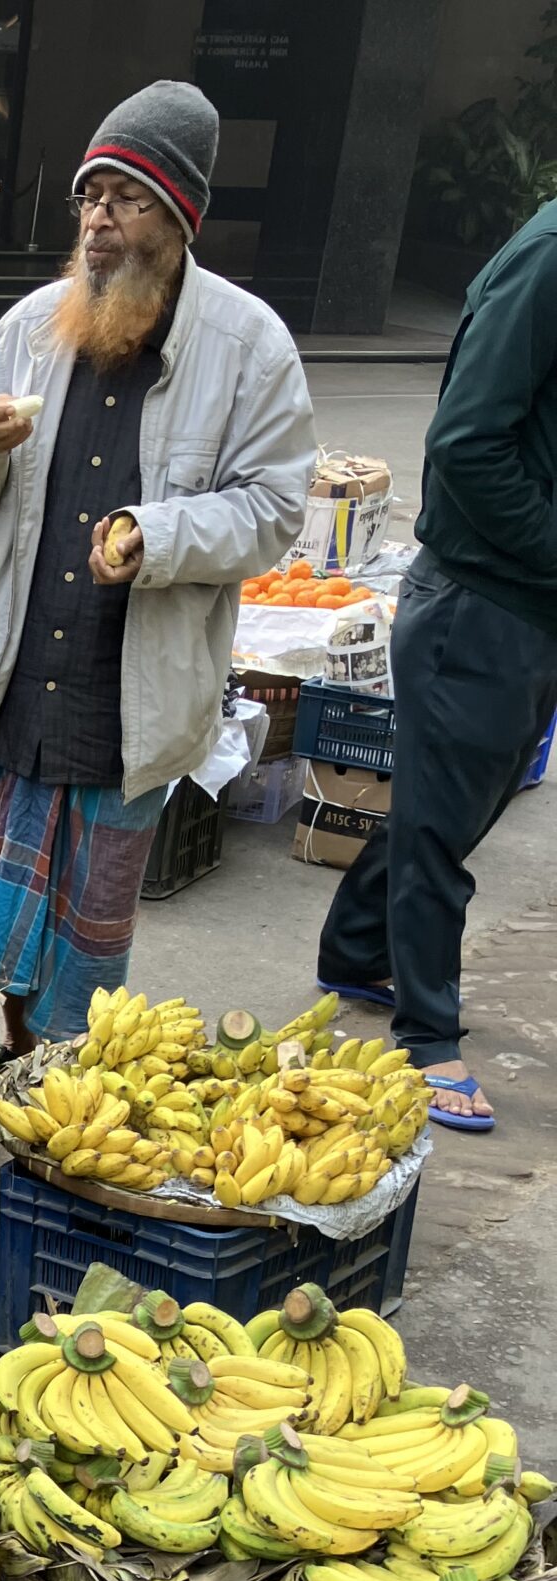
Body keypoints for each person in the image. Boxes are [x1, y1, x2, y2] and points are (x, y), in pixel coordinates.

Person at [0, 81, 315, 1051]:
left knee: (90, 943)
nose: (99, 221)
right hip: (26, 686)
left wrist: (163, 537)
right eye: (89, 196)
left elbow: (275, 513)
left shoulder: (249, 348)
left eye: (126, 199)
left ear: (179, 218)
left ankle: (57, 1094)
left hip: (130, 699)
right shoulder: (27, 330)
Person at [313, 205, 557, 1134]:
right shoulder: (547, 262)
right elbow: (466, 445)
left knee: (451, 804)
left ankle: (354, 949)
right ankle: (426, 1035)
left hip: (524, 605)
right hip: (483, 601)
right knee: (439, 829)